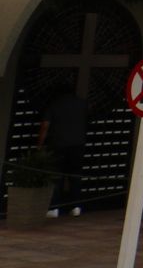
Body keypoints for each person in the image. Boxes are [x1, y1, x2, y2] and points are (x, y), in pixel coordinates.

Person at [36, 88, 89, 216]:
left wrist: (39, 145)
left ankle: (54, 207)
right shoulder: (82, 104)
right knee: (75, 176)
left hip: (57, 145)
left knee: (55, 176)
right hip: (78, 145)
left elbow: (45, 126)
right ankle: (76, 206)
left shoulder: (54, 104)